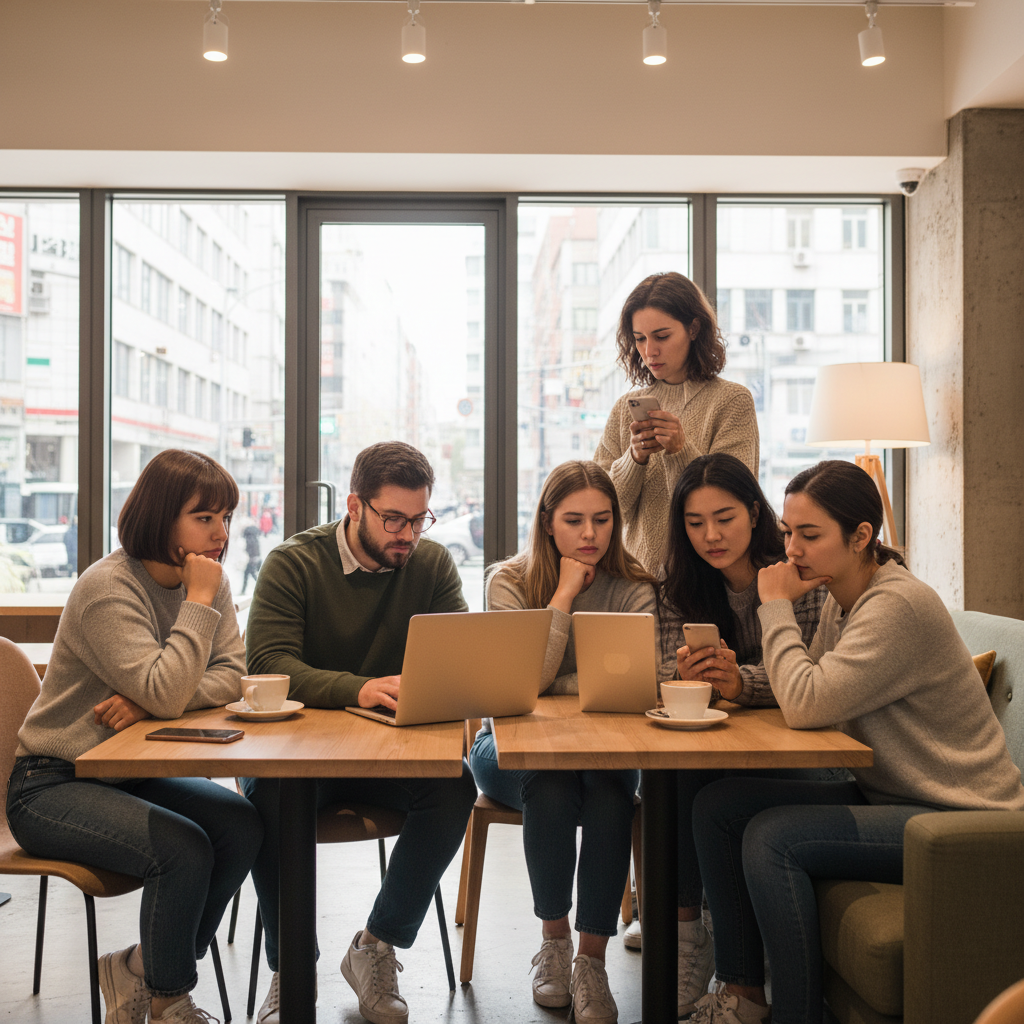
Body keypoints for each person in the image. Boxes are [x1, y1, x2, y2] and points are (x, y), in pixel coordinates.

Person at [688, 460, 1024, 1024]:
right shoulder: (847, 597)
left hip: (957, 817)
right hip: (896, 798)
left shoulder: (895, 606)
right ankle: (744, 996)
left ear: (861, 535)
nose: (791, 549)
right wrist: (737, 679)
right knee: (718, 808)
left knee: (773, 838)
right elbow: (813, 677)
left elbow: (807, 702)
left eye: (810, 535)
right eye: (789, 532)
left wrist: (774, 607)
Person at [6, 448, 260, 1024]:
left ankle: (141, 967)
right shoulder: (109, 589)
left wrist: (148, 702)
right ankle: (170, 1002)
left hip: (131, 770)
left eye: (226, 517)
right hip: (50, 784)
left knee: (242, 824)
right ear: (162, 516)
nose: (220, 533)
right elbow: (168, 690)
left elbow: (231, 676)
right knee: (183, 848)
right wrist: (165, 675)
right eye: (204, 517)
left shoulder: (208, 580)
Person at [242, 441, 477, 1024]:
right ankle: (291, 971)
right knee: (269, 798)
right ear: (354, 505)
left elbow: (459, 657)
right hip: (297, 756)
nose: (407, 534)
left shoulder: (431, 564)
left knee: (455, 786)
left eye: (419, 519)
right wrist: (358, 688)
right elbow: (269, 664)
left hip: (382, 756)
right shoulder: (292, 563)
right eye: (393, 518)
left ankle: (377, 945)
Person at [468, 460, 675, 1024]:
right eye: (575, 520)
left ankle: (591, 961)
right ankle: (554, 943)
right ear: (547, 522)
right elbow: (521, 686)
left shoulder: (634, 586)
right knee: (552, 784)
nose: (590, 535)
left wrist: (557, 685)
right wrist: (562, 593)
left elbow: (642, 683)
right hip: (506, 747)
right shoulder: (508, 581)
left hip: (607, 748)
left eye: (603, 520)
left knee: (610, 794)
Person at [656, 453, 829, 1016]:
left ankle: (714, 949)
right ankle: (688, 938)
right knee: (680, 766)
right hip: (719, 742)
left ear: (755, 513)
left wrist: (740, 682)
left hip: (797, 747)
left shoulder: (799, 578)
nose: (711, 535)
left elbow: (812, 674)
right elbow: (659, 670)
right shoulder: (678, 584)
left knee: (705, 782)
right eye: (695, 521)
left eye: (725, 517)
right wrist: (682, 679)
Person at [593, 271, 759, 574]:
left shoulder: (732, 401)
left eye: (662, 336)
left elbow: (736, 502)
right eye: (639, 338)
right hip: (637, 579)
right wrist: (634, 458)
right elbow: (607, 512)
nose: (649, 351)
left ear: (694, 328)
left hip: (707, 578)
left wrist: (680, 450)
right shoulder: (623, 409)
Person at [240, 517, 262, 594]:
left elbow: (251, 550)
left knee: (250, 574)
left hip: (253, 559)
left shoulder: (249, 538)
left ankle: (262, 588)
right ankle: (261, 588)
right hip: (256, 558)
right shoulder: (254, 537)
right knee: (250, 574)